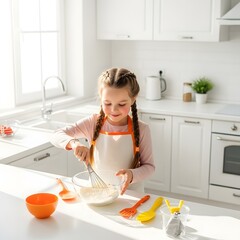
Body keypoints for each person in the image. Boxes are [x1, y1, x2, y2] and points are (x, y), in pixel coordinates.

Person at [50, 67, 155, 194]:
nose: (114, 110)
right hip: (98, 193)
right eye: (107, 103)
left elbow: (149, 167)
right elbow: (56, 135)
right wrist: (74, 143)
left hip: (131, 196)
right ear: (101, 98)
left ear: (133, 99)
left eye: (121, 104)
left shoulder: (142, 129)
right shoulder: (92, 123)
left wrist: (132, 174)